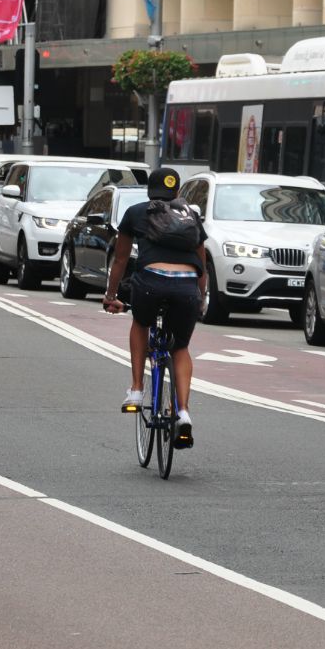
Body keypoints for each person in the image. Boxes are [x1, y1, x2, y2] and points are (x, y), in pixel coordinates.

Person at [103, 167, 211, 449]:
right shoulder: (191, 216)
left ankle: (137, 389)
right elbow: (201, 266)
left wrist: (111, 295)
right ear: (177, 193)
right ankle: (183, 412)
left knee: (141, 322)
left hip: (151, 283)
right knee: (180, 347)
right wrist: (200, 297)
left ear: (149, 192)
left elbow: (120, 261)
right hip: (186, 287)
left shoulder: (137, 212)